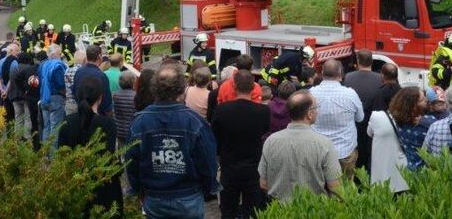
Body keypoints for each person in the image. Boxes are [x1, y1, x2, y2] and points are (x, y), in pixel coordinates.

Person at [127, 65, 219, 218]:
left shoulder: (140, 122)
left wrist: (139, 190)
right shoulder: (195, 122)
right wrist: (208, 188)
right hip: (188, 197)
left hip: (155, 197)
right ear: (182, 89)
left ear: (155, 89)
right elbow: (208, 163)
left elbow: (131, 162)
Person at [259, 89, 342, 201]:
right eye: (316, 108)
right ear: (309, 114)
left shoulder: (271, 141)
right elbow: (335, 186)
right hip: (312, 209)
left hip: (277, 210)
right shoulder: (324, 144)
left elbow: (263, 183)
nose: (317, 111)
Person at [58, 75, 123, 216]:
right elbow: (109, 156)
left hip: (74, 185)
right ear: (101, 97)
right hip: (102, 187)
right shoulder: (107, 123)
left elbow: (61, 156)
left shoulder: (67, 122)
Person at [212, 70, 270, 219]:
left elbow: (215, 135)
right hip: (253, 166)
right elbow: (264, 132)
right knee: (252, 211)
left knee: (228, 210)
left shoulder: (222, 110)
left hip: (229, 165)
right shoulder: (263, 111)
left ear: (234, 86)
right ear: (253, 88)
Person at [310, 59, 363, 179]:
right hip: (345, 150)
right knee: (345, 190)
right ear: (340, 73)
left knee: (320, 189)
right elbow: (360, 118)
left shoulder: (311, 93)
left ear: (322, 72)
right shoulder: (350, 94)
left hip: (319, 151)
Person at [344, 49, 382, 171]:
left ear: (358, 61)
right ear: (372, 61)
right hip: (374, 124)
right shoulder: (380, 78)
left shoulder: (349, 77)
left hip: (355, 124)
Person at [367, 102, 408, 193]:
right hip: (404, 163)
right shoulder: (411, 118)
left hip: (381, 164)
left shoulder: (376, 116)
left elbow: (369, 133)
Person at [388, 86, 429, 170]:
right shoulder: (425, 124)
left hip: (408, 165)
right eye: (421, 100)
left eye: (424, 96)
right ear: (412, 106)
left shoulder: (397, 120)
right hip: (424, 169)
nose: (426, 100)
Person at [38, 43, 67, 149]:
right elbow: (60, 83)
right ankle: (53, 156)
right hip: (55, 98)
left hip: (43, 98)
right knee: (55, 128)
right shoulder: (58, 65)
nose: (61, 56)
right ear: (54, 54)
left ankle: (45, 154)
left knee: (46, 127)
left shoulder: (42, 65)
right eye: (60, 54)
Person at [72, 44, 113, 116]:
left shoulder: (79, 72)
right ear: (99, 57)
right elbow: (107, 101)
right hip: (98, 116)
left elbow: (75, 92)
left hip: (81, 114)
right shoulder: (101, 76)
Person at [14, 51, 42, 150]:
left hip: (30, 98)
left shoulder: (27, 69)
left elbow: (16, 78)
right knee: (36, 121)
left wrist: (24, 88)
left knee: (31, 120)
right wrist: (24, 89)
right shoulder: (40, 68)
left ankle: (32, 143)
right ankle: (36, 142)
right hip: (38, 98)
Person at [8, 52, 33, 141]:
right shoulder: (28, 68)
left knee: (18, 118)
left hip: (14, 96)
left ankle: (17, 138)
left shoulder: (13, 68)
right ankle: (27, 138)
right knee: (27, 118)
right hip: (25, 97)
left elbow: (11, 81)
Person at [113, 70, 137, 152]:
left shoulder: (115, 95)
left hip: (119, 129)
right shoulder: (135, 96)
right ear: (133, 82)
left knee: (121, 150)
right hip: (131, 129)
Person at [0, 42, 20, 123]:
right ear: (11, 51)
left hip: (3, 92)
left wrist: (1, 90)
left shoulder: (1, 61)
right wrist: (6, 91)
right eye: (17, 51)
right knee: (13, 115)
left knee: (6, 115)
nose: (18, 53)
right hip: (11, 92)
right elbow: (12, 78)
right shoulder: (14, 61)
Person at [64, 49, 86, 115]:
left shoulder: (67, 71)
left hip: (70, 104)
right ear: (84, 59)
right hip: (82, 104)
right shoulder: (85, 71)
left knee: (71, 124)